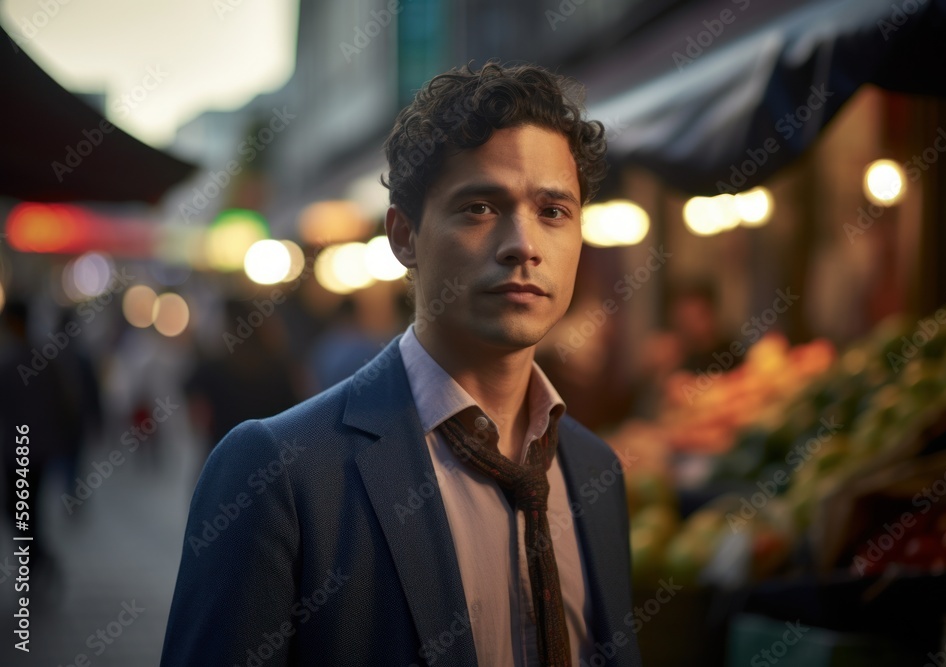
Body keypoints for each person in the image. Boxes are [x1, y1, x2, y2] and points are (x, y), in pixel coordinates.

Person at [161, 61, 642, 667]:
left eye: (553, 211)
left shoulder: (596, 473)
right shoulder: (278, 473)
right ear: (404, 237)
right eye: (480, 208)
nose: (524, 243)